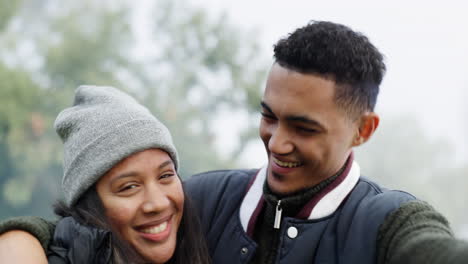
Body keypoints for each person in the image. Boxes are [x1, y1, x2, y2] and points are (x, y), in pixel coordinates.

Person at [1, 21, 468, 263]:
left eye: (303, 128)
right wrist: (20, 238)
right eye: (268, 117)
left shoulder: (389, 221)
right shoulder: (203, 200)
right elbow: (73, 232)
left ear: (363, 131)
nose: (277, 143)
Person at [0, 85, 211, 263]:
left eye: (165, 176)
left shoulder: (208, 232)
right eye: (129, 187)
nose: (157, 204)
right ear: (90, 205)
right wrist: (18, 237)